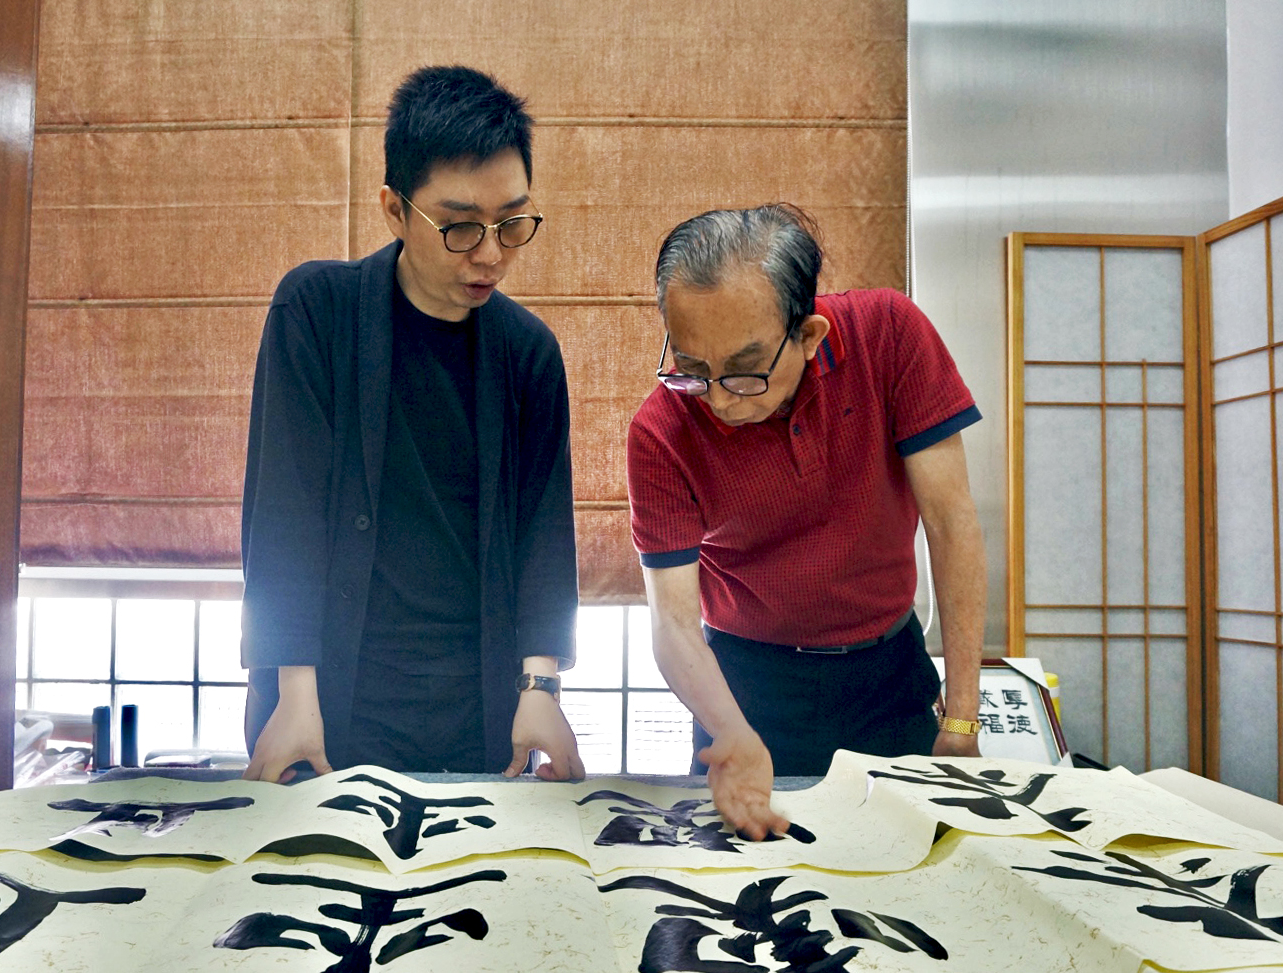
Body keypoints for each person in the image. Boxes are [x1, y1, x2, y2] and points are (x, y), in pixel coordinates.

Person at [239, 65, 584, 784]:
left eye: (511, 222)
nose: (490, 253)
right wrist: (293, 690)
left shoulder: (528, 353)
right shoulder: (316, 313)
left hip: (479, 715)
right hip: (327, 710)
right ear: (395, 210)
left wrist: (540, 688)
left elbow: (543, 535)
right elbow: (283, 518)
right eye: (460, 226)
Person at [627, 204, 986, 839]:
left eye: (744, 370)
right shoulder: (662, 431)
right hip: (746, 684)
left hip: (888, 675)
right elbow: (675, 622)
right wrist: (733, 735)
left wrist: (960, 715)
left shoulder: (888, 336)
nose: (715, 398)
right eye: (692, 367)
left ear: (810, 335)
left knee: (907, 874)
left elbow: (952, 524)